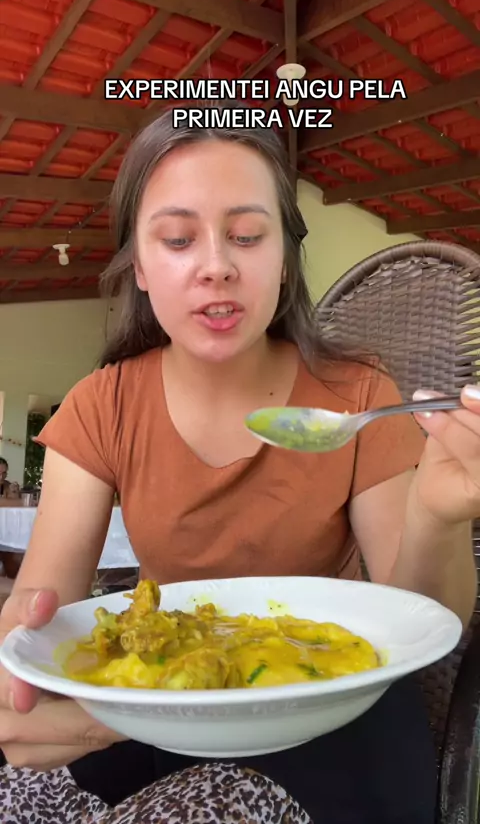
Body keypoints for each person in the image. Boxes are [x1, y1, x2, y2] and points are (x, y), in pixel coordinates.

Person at [0, 100, 479, 824]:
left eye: (248, 236)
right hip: (150, 712)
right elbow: (43, 618)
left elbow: (422, 623)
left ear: (284, 259)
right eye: (178, 239)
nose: (217, 267)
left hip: (335, 715)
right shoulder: (102, 404)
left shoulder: (356, 393)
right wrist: (23, 657)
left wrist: (439, 515)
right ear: (139, 266)